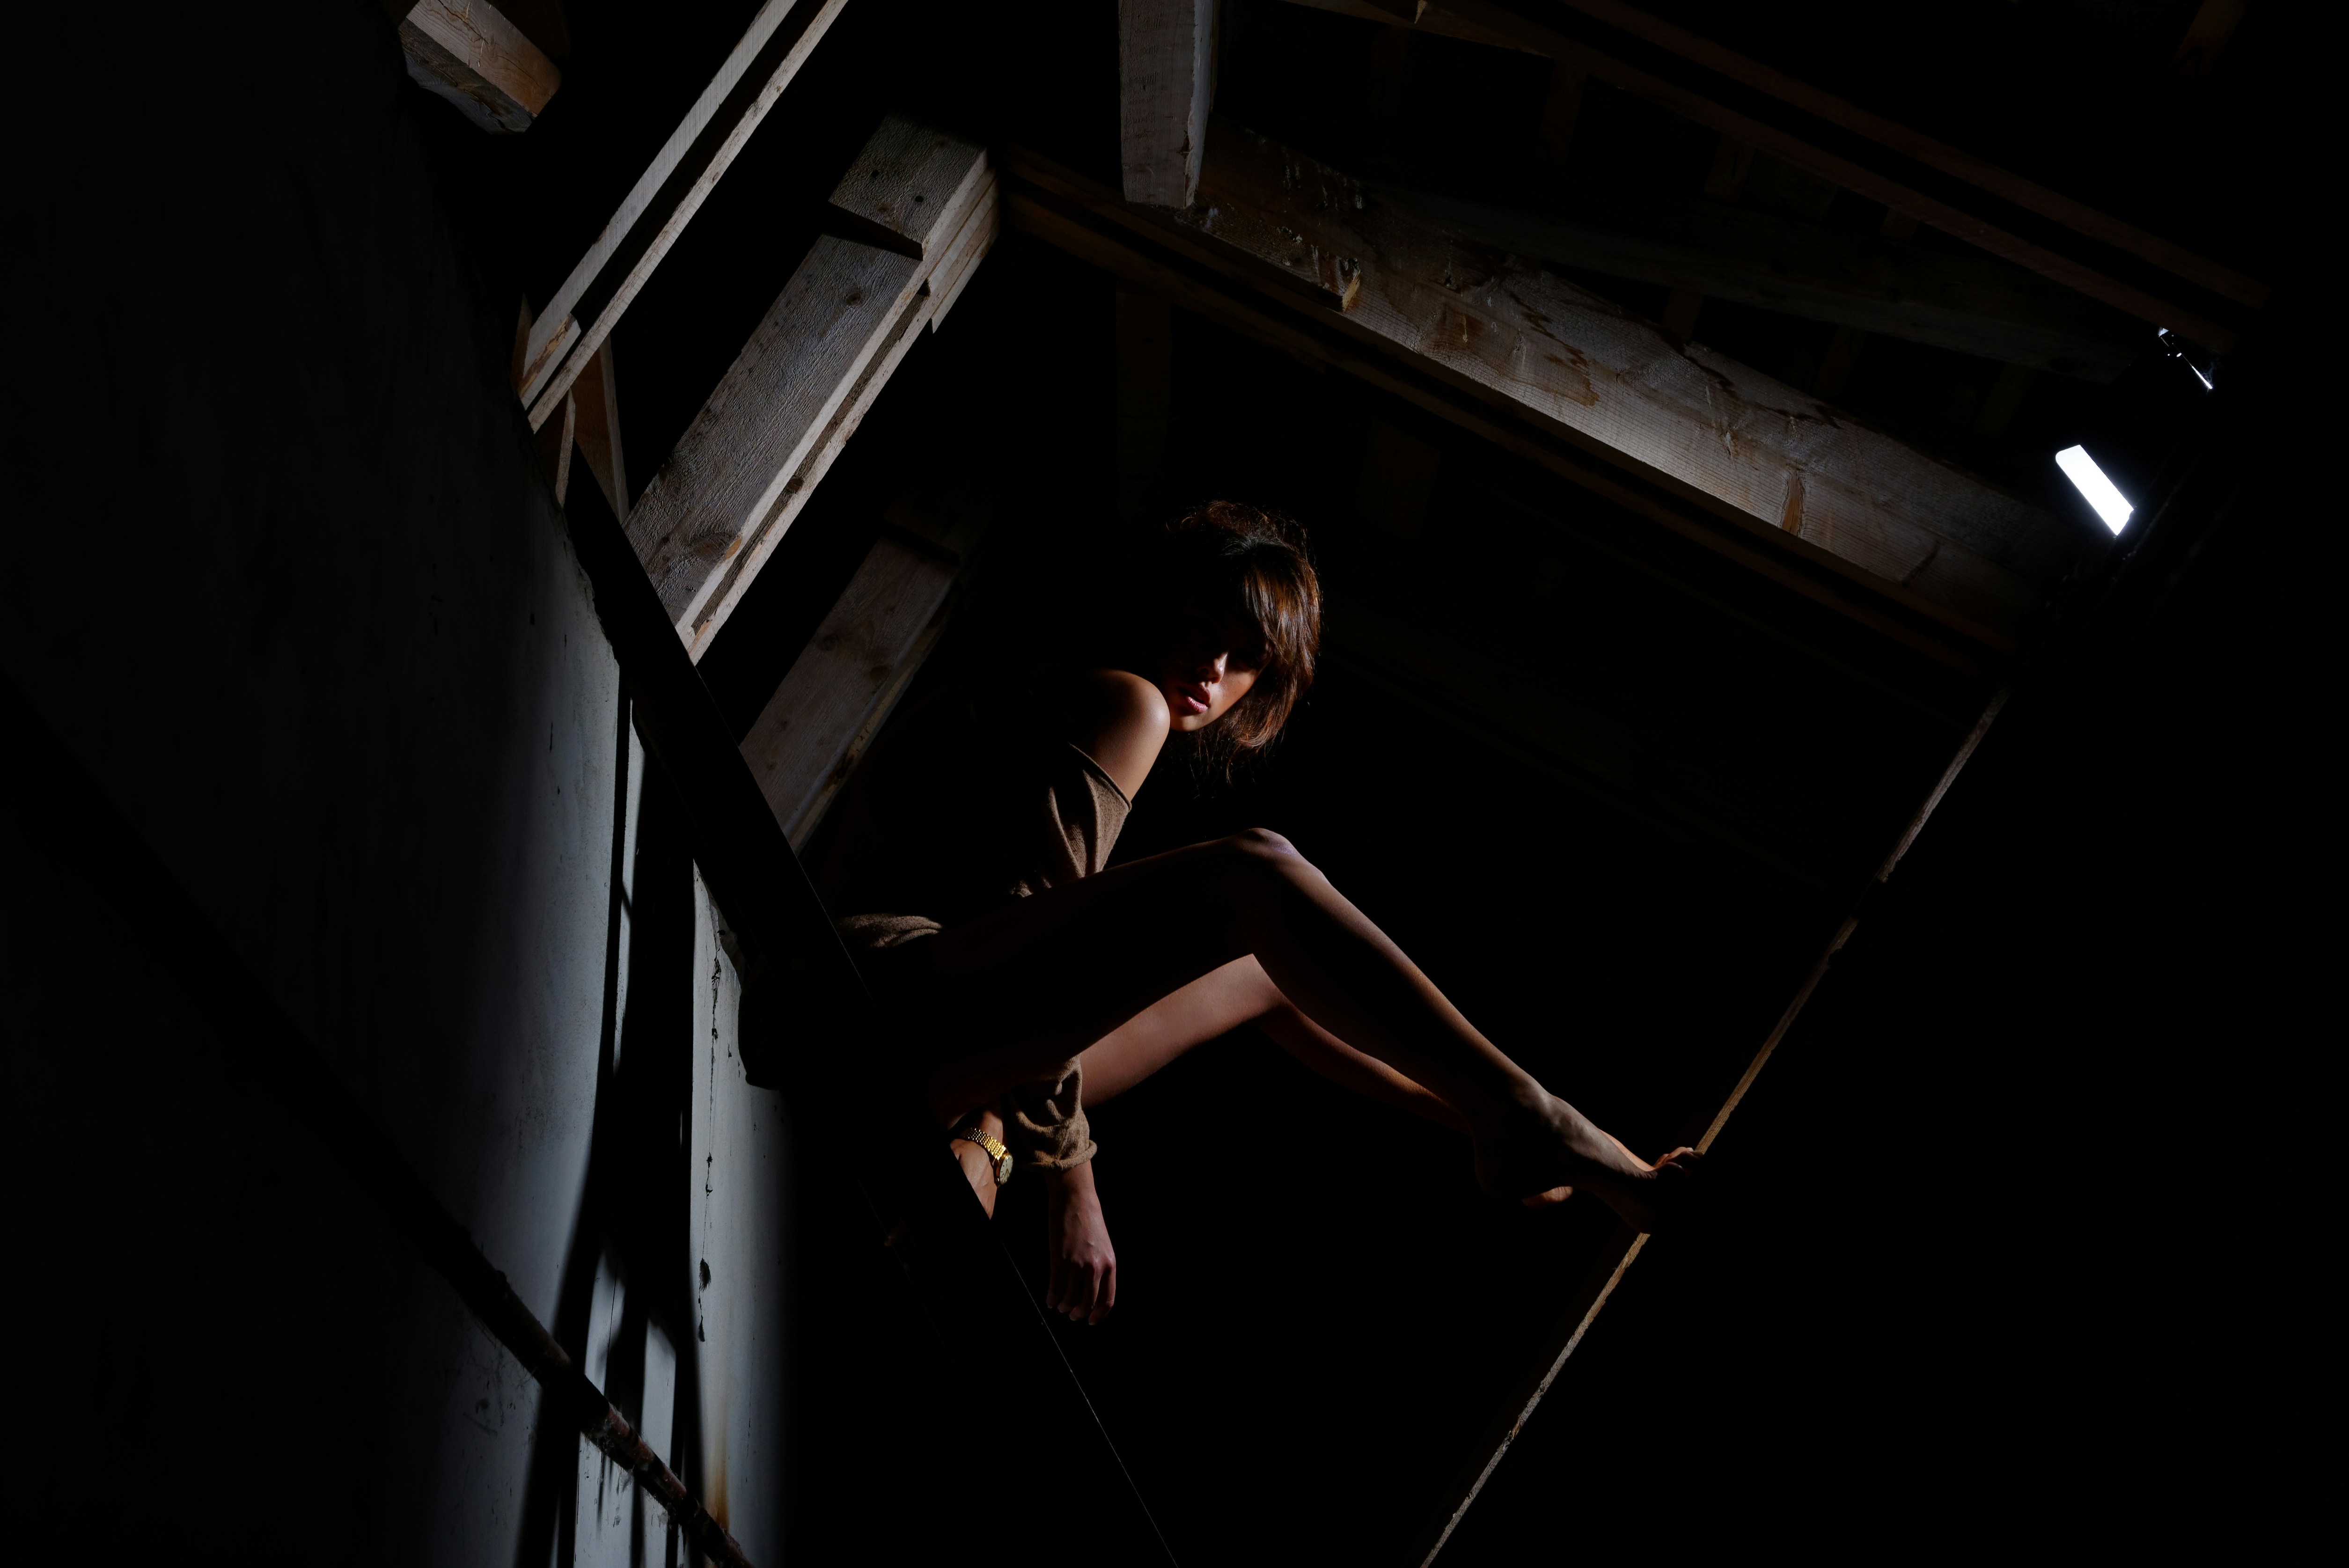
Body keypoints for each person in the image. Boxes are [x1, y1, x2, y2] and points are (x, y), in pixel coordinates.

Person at [813, 502, 1696, 1327]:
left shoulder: (1107, 703)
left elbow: (1032, 971)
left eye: (1247, 660)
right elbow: (1029, 930)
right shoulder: (1125, 701)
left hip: (941, 1030)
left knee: (1259, 974)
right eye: (1204, 630)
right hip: (878, 988)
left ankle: (1488, 1120)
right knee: (1257, 871)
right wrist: (1071, 1183)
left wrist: (994, 1138)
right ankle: (1525, 1113)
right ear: (1164, 609)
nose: (1214, 670)